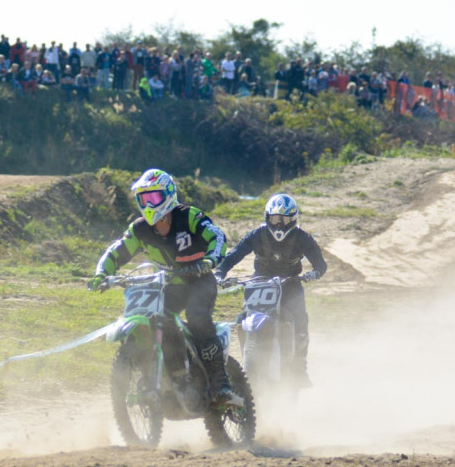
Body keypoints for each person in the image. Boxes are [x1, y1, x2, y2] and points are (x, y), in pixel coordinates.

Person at [89, 169, 234, 405]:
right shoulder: (140, 229)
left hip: (199, 280)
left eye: (153, 198)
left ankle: (221, 382)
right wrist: (102, 273)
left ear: (168, 195)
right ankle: (173, 373)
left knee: (197, 317)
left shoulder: (188, 216)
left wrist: (209, 261)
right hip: (169, 285)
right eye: (143, 199)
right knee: (155, 317)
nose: (148, 204)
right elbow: (117, 250)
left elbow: (216, 237)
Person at [214, 194, 327, 387]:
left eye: (285, 220)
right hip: (260, 282)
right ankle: (245, 358)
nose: (280, 225)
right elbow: (234, 255)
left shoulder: (303, 237)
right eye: (275, 219)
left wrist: (314, 273)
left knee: (301, 321)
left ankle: (300, 369)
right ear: (267, 218)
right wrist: (220, 272)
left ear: (294, 219)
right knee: (242, 317)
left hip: (291, 283)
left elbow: (321, 264)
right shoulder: (257, 234)